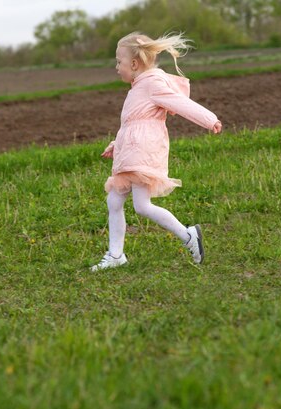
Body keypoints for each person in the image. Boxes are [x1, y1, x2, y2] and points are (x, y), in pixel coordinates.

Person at [90, 31, 222, 272]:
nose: (116, 66)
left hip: (144, 151)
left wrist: (209, 119)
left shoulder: (152, 83)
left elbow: (180, 103)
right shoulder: (137, 87)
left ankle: (188, 235)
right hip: (131, 150)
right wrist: (115, 144)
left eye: (118, 61)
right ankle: (116, 255)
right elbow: (131, 123)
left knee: (139, 205)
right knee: (116, 200)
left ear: (133, 63)